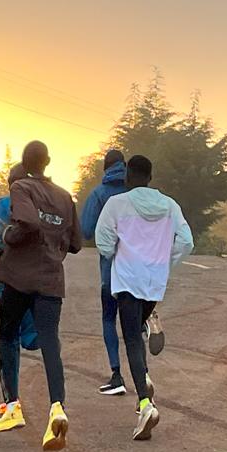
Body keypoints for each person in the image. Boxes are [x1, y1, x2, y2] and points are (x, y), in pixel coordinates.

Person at [0, 140, 82, 451]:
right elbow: (76, 243)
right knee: (50, 344)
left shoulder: (21, 187)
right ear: (48, 161)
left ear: (23, 161)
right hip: (50, 280)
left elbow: (27, 222)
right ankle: (57, 407)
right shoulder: (64, 196)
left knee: (7, 335)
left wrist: (10, 236)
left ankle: (12, 407)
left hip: (18, 278)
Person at [95, 154, 194, 441]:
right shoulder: (170, 206)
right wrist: (164, 261)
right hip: (154, 282)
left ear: (127, 177)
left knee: (131, 339)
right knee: (136, 331)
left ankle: (145, 404)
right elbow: (187, 242)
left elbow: (102, 242)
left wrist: (118, 255)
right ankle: (145, 372)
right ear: (150, 178)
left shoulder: (117, 204)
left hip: (127, 280)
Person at [81, 149, 165, 396]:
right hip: (140, 271)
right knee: (133, 324)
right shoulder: (138, 193)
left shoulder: (99, 194)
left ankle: (117, 375)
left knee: (109, 319)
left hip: (111, 272)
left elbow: (86, 230)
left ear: (105, 168)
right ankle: (144, 373)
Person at [0, 162, 40, 416]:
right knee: (37, 337)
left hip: (9, 281)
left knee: (8, 339)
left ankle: (12, 401)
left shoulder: (3, 204)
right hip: (40, 279)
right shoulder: (47, 202)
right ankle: (56, 402)